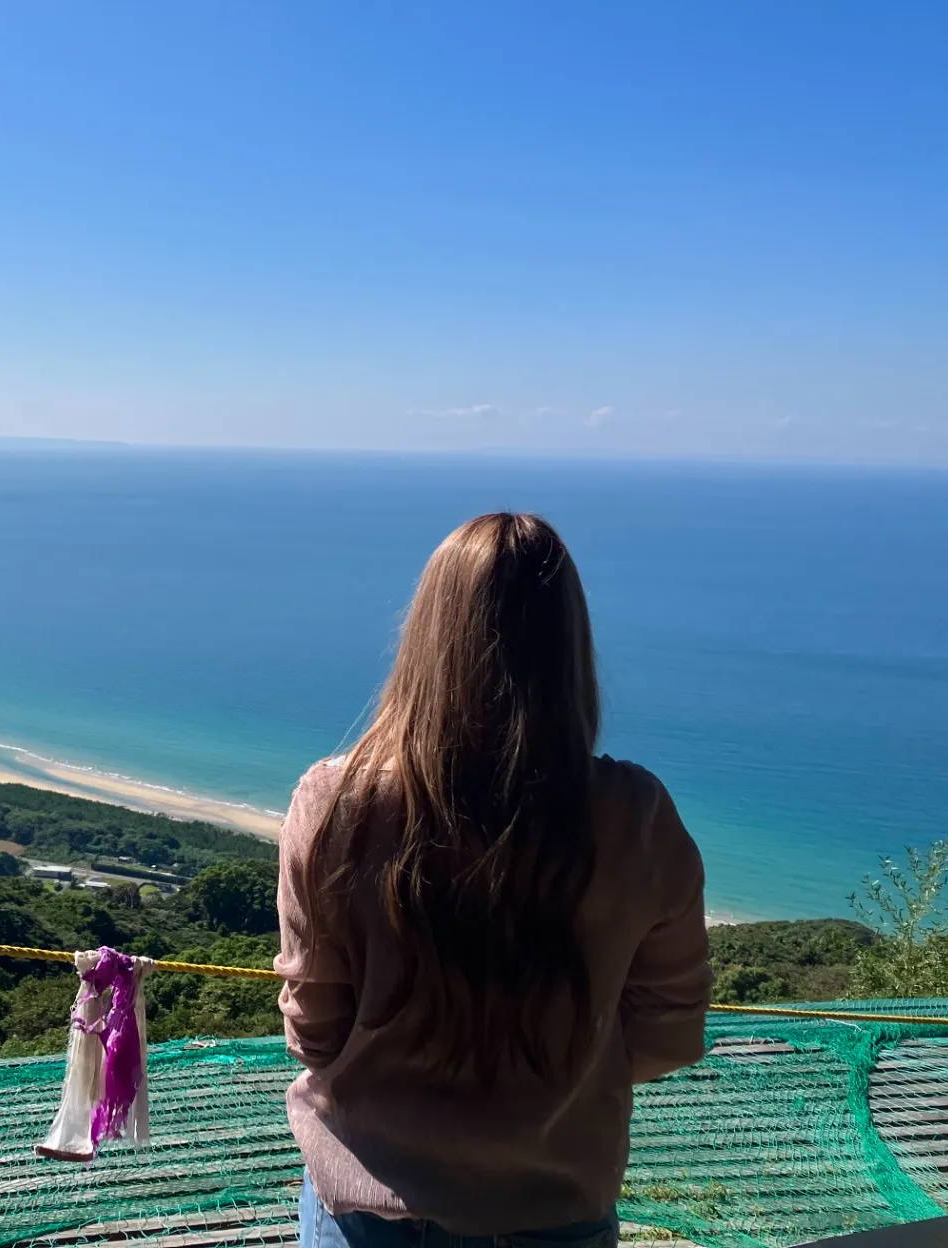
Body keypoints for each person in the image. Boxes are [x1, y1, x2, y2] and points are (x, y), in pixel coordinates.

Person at [277, 513, 710, 1248]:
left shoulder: (334, 806)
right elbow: (670, 1034)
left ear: (427, 636)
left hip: (368, 1215)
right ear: (569, 647)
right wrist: (546, 1075)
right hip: (556, 1211)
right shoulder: (636, 818)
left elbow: (314, 1032)